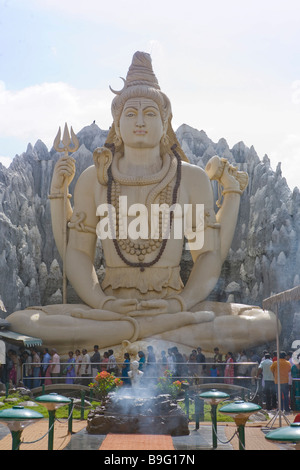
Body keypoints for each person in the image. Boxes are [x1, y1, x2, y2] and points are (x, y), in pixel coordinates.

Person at [6, 51, 278, 354]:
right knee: (21, 321)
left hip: (174, 305)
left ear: (165, 123)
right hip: (111, 308)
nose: (139, 122)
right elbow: (78, 254)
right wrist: (104, 302)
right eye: (130, 114)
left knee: (265, 321)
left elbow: (208, 255)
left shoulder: (191, 179)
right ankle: (158, 339)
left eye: (149, 114)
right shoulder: (93, 179)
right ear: (117, 123)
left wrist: (180, 303)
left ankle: (122, 340)